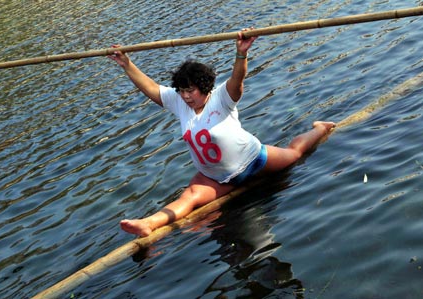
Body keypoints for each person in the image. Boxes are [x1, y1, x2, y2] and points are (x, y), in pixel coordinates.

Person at [108, 28, 335, 237]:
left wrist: (241, 54)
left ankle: (319, 128)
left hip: (253, 160)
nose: (186, 96)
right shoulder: (179, 103)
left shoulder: (221, 98)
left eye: (190, 91)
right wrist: (127, 64)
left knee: (294, 153)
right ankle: (148, 224)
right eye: (182, 91)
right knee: (189, 198)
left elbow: (237, 80)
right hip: (215, 177)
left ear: (204, 88)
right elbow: (151, 88)